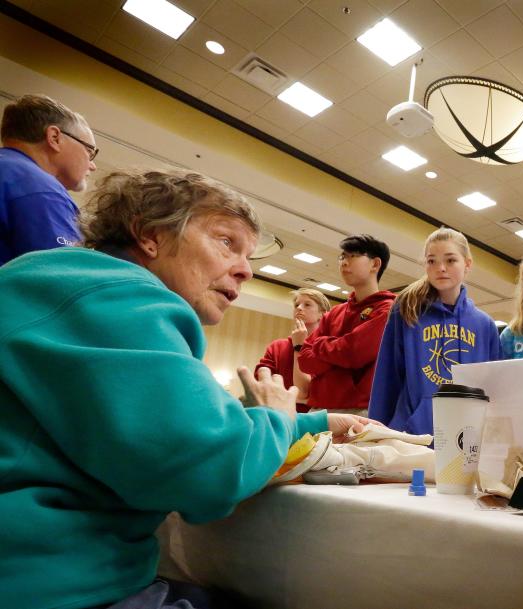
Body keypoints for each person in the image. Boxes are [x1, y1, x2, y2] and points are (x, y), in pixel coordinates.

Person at [0, 169, 373, 609]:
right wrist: (275, 419)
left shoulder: (54, 286)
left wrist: (311, 420)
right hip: (57, 587)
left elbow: (193, 421)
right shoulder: (122, 298)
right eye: (226, 241)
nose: (246, 270)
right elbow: (206, 471)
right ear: (150, 234)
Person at [369, 228, 501, 435]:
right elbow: (387, 376)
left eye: (450, 260)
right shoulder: (406, 311)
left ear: (467, 264)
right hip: (414, 435)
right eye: (432, 261)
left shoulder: (485, 325)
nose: (440, 268)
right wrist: (376, 430)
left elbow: (494, 388)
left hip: (470, 436)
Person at [296, 234, 396, 416]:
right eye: (342, 256)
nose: (344, 262)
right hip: (318, 408)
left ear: (375, 264)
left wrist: (320, 344)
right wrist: (338, 352)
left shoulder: (388, 310)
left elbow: (354, 353)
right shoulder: (334, 313)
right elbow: (305, 361)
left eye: (353, 256)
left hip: (359, 410)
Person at [1, 94, 97, 265]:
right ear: (54, 138)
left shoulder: (8, 171)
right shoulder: (41, 189)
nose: (92, 165)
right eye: (89, 151)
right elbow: (64, 276)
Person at [257, 288, 331, 413]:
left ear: (322, 314)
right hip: (277, 416)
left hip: (313, 420)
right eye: (297, 305)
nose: (299, 308)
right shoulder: (276, 347)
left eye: (307, 304)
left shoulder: (327, 348)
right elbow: (263, 388)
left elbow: (305, 392)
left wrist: (299, 346)